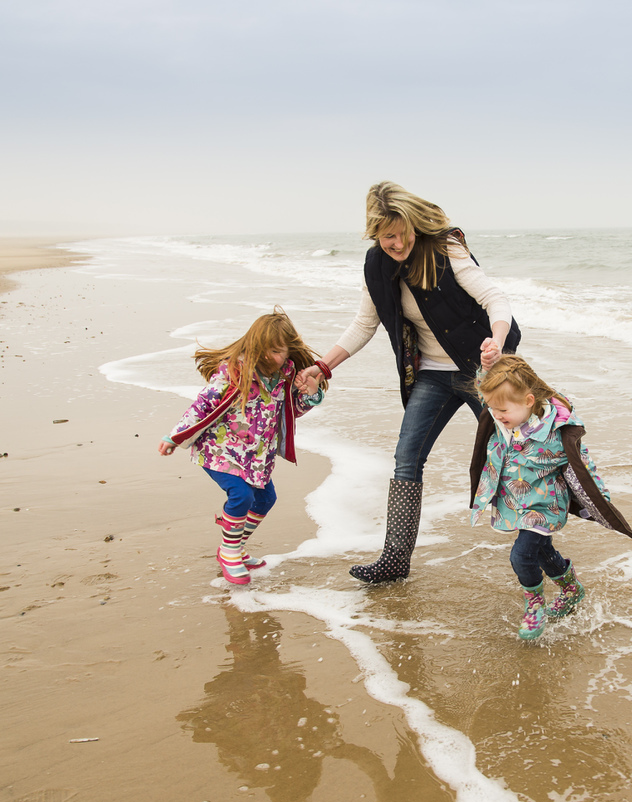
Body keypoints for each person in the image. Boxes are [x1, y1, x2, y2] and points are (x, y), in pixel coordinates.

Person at [295, 181, 521, 584]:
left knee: (517, 452)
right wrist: (322, 366)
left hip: (482, 370)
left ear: (414, 225)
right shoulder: (376, 266)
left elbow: (495, 299)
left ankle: (540, 545)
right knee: (406, 458)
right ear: (375, 234)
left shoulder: (446, 248)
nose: (396, 243)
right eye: (386, 237)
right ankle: (395, 559)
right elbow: (365, 323)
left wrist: (497, 343)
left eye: (401, 234)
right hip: (432, 375)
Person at [469, 356, 632, 639]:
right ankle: (572, 588)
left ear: (528, 400)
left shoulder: (557, 433)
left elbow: (584, 468)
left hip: (544, 505)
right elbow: (486, 390)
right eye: (492, 408)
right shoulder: (504, 419)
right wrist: (486, 369)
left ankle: (535, 604)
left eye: (501, 409)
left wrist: (602, 501)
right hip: (514, 502)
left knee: (522, 556)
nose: (495, 415)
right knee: (542, 551)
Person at [160, 308, 325, 586]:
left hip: (255, 456)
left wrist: (310, 395)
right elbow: (203, 404)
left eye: (276, 351)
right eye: (263, 349)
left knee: (266, 499)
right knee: (241, 497)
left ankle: (234, 545)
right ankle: (229, 551)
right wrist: (174, 436)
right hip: (218, 450)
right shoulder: (235, 371)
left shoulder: (285, 377)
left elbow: (291, 411)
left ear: (288, 350)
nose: (267, 357)